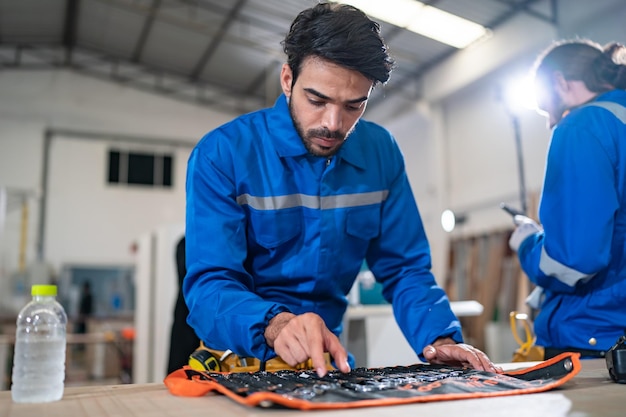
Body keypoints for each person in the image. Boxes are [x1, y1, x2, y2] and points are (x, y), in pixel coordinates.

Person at [184, 2, 499, 377]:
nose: (333, 124)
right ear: (288, 80)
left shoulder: (381, 153)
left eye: (354, 105)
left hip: (325, 363)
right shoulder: (224, 154)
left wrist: (441, 339)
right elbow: (210, 286)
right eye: (317, 100)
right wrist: (277, 325)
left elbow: (405, 269)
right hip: (237, 358)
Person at [509, 39, 626, 359]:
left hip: (597, 335)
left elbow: (573, 260)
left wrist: (528, 243)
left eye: (549, 108)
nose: (551, 122)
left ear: (560, 82)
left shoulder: (584, 126)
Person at [167, 236, 200, 374]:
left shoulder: (185, 242)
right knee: (180, 372)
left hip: (193, 316)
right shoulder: (186, 243)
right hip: (187, 318)